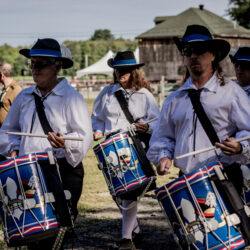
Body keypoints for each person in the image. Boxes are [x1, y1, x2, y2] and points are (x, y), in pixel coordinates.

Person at [147, 24, 250, 243]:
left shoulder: (232, 92)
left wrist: (240, 146)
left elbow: (248, 130)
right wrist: (163, 155)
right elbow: (163, 137)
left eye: (200, 50)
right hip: (186, 180)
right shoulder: (175, 99)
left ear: (213, 55)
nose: (193, 56)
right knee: (196, 242)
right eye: (188, 51)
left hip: (223, 177)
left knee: (227, 242)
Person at [0, 38, 93, 248]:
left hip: (60, 171)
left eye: (40, 64)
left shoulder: (72, 98)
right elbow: (6, 131)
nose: (34, 69)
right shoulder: (24, 96)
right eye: (32, 63)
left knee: (54, 236)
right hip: (27, 172)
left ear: (57, 66)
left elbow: (83, 136)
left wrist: (64, 144)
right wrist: (13, 148)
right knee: (31, 232)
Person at [92, 51, 160, 249]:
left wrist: (147, 127)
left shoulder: (145, 95)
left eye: (125, 70)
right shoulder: (106, 93)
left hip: (135, 144)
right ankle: (134, 230)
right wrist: (97, 130)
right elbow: (96, 117)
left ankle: (126, 239)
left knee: (129, 191)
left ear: (134, 72)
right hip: (112, 145)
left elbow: (158, 121)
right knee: (118, 192)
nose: (120, 73)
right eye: (118, 69)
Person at [0, 62, 22, 127]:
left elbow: (21, 114)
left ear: (2, 75)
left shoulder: (16, 89)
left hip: (9, 133)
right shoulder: (5, 88)